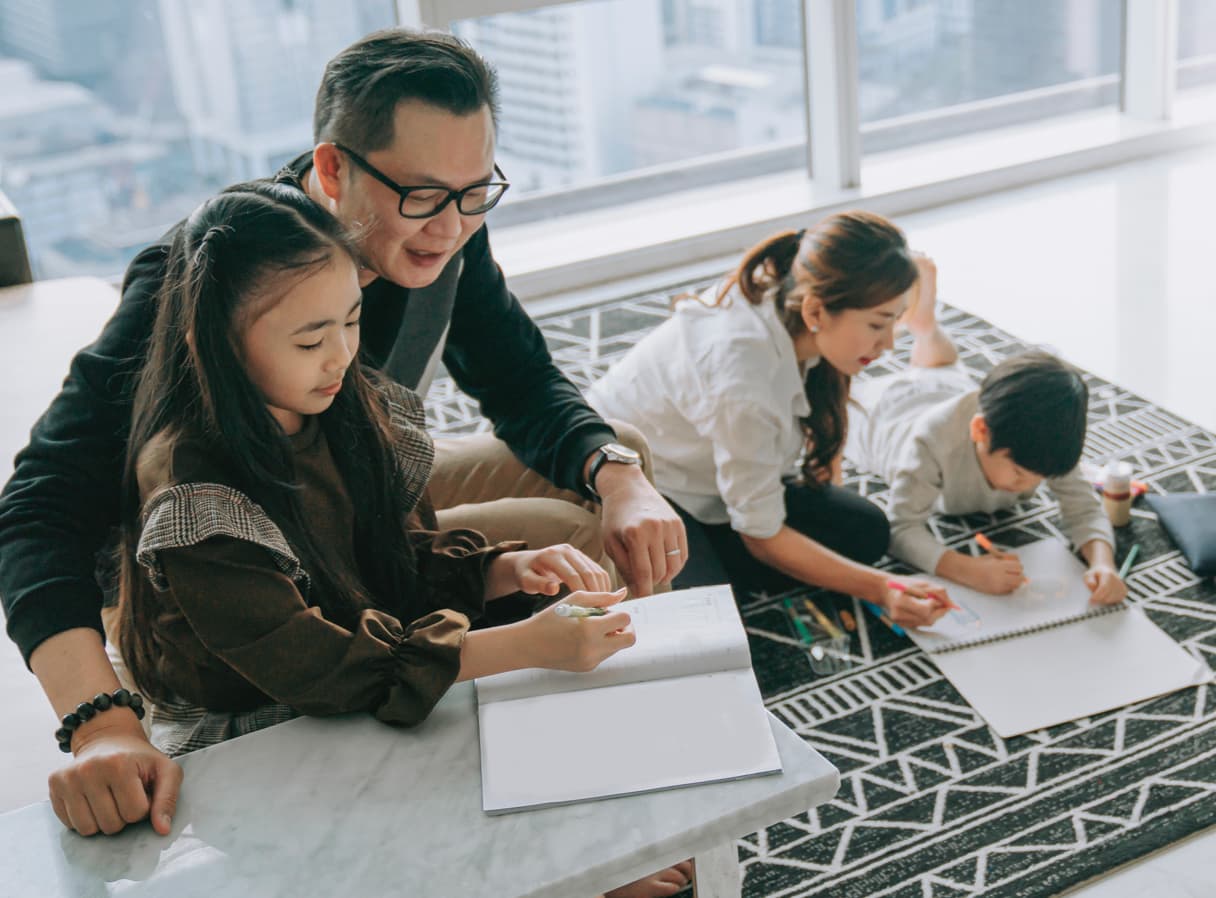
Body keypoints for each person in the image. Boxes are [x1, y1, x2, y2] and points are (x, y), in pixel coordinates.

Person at [0, 28, 683, 841]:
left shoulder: (450, 222)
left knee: (615, 472)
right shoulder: (208, 280)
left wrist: (616, 473)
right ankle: (545, 824)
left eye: (476, 193)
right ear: (331, 169)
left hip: (352, 491)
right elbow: (36, 510)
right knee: (567, 552)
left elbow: (518, 376)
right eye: (424, 196)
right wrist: (100, 721)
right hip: (237, 556)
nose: (451, 226)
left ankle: (629, 768)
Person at [113, 182, 634, 759]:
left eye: (351, 322)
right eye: (311, 340)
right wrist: (522, 645)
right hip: (251, 725)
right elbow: (318, 669)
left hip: (361, 658)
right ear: (214, 344)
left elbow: (392, 560)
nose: (341, 355)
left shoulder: (338, 405)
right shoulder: (195, 499)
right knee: (513, 733)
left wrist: (505, 569)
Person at [588, 211, 952, 626]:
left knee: (864, 530)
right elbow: (760, 537)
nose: (888, 345)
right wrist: (884, 589)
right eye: (876, 324)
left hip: (707, 472)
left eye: (894, 321)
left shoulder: (797, 294)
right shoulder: (745, 382)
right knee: (705, 623)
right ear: (816, 312)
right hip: (637, 482)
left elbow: (824, 426)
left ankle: (719, 552)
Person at [844, 258, 1126, 603]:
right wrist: (966, 569)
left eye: (1039, 478)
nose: (1030, 485)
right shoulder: (930, 441)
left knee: (944, 367)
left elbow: (1083, 507)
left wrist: (1103, 562)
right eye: (1021, 474)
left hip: (950, 392)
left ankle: (926, 327)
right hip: (889, 421)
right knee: (846, 412)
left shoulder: (1042, 441)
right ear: (981, 431)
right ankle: (917, 333)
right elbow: (900, 528)